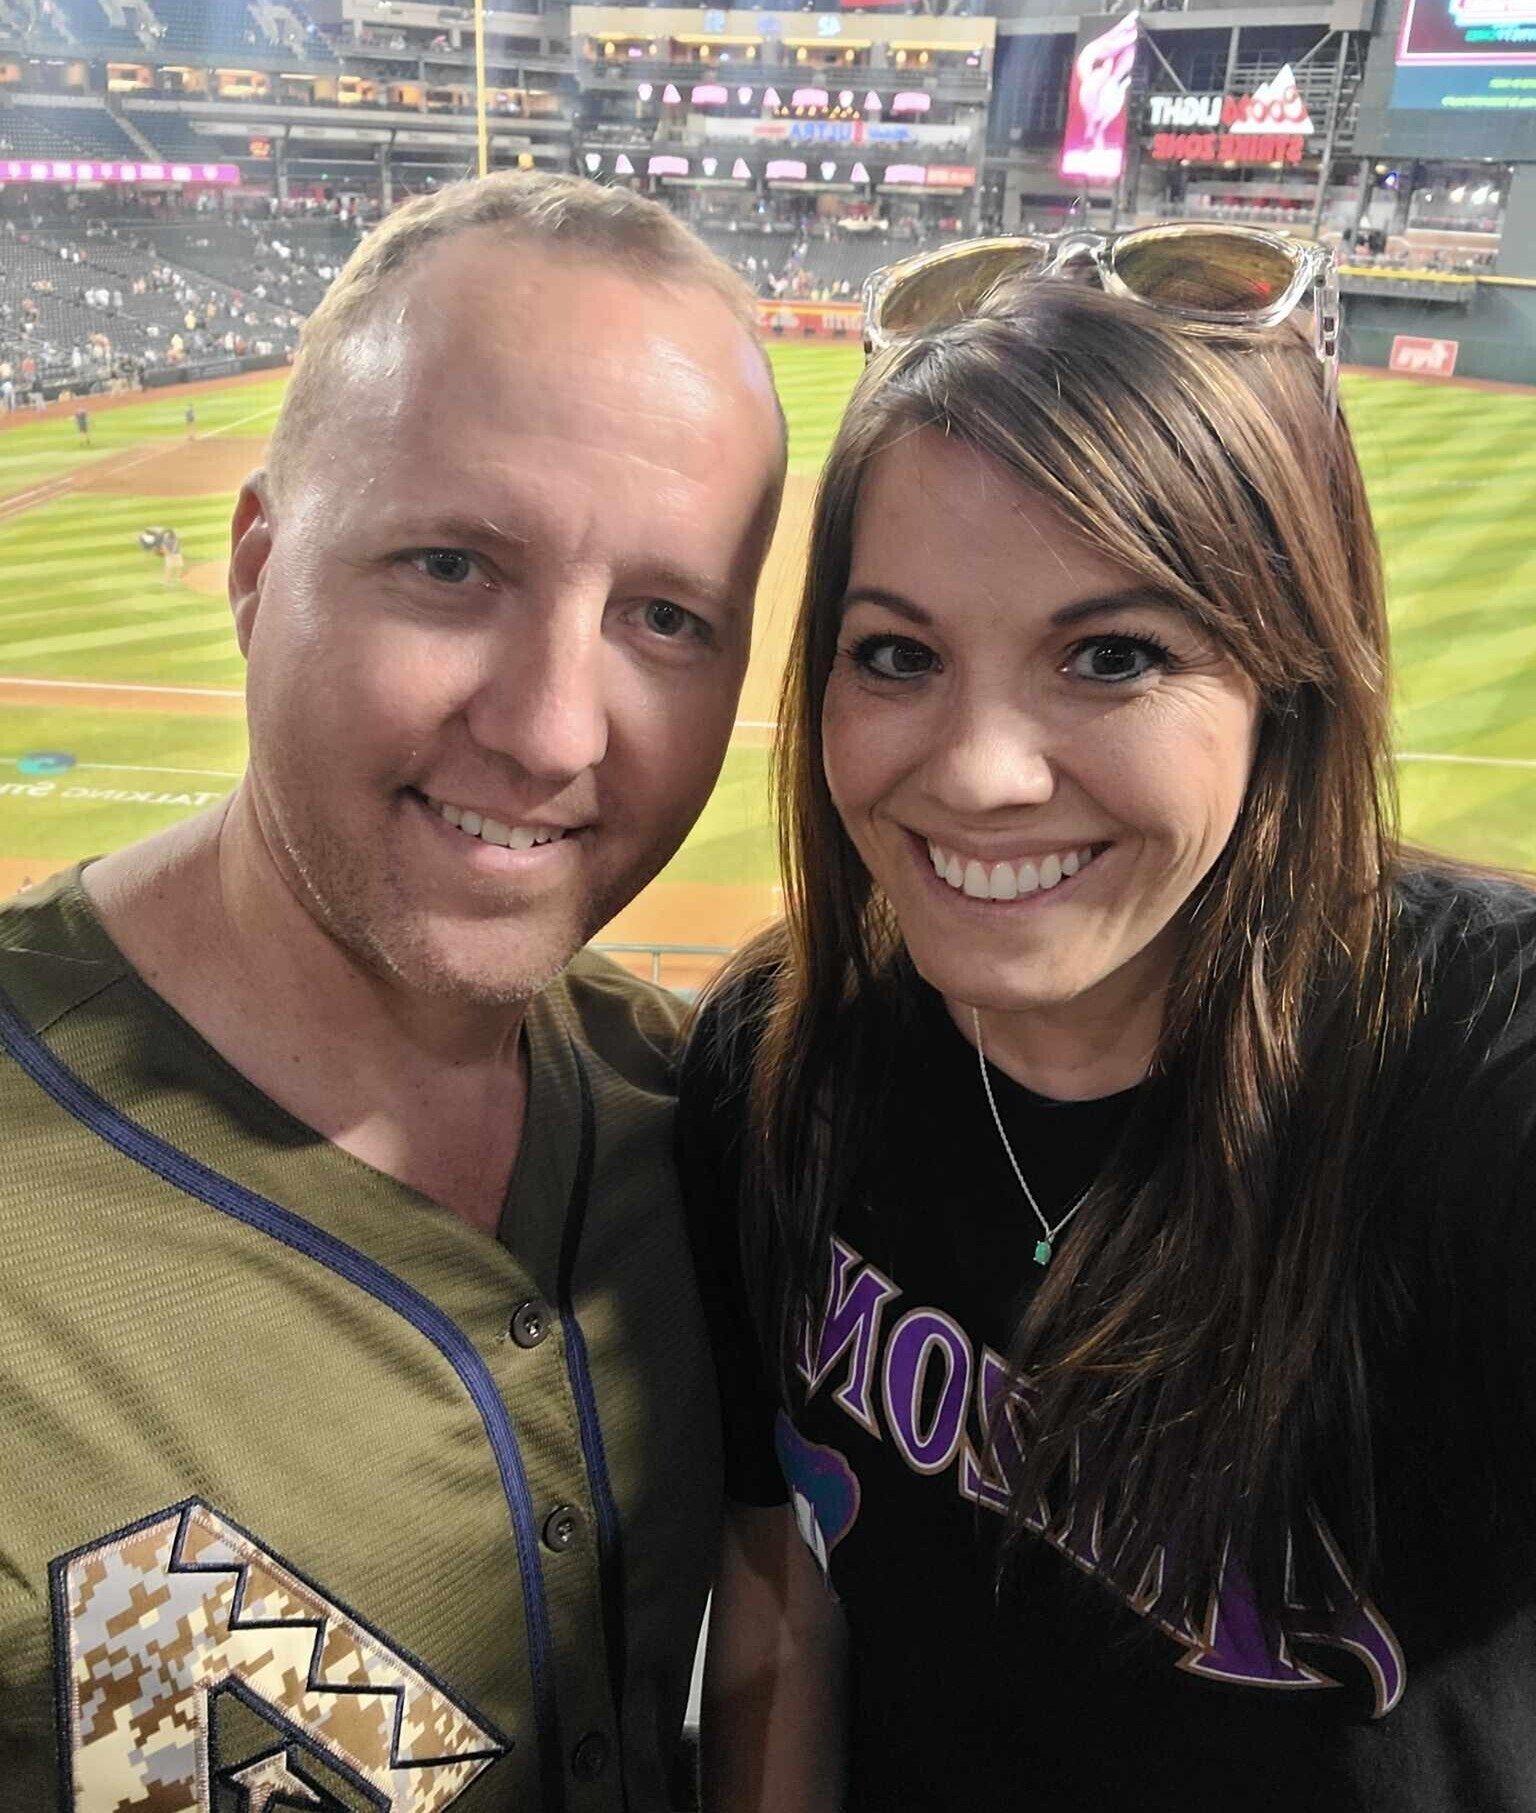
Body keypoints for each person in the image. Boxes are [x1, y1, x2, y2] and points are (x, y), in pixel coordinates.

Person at [679, 227, 1536, 1812]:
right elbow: (784, 1591)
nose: (983, 768)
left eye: (1114, 655)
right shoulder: (773, 1068)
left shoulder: (1479, 1072)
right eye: (897, 655)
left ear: (1286, 680)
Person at [0, 171, 785, 1809]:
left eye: (664, 615)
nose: (554, 728)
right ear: (254, 568)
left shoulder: (697, 1117)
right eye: (449, 566)